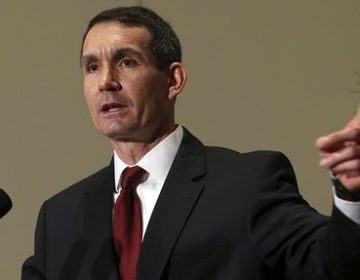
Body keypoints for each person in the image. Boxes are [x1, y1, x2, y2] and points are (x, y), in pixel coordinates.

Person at [22, 6, 360, 280]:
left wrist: (351, 195)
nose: (106, 81)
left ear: (173, 80)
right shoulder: (60, 217)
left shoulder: (246, 183)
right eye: (92, 67)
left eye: (126, 62)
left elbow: (330, 267)